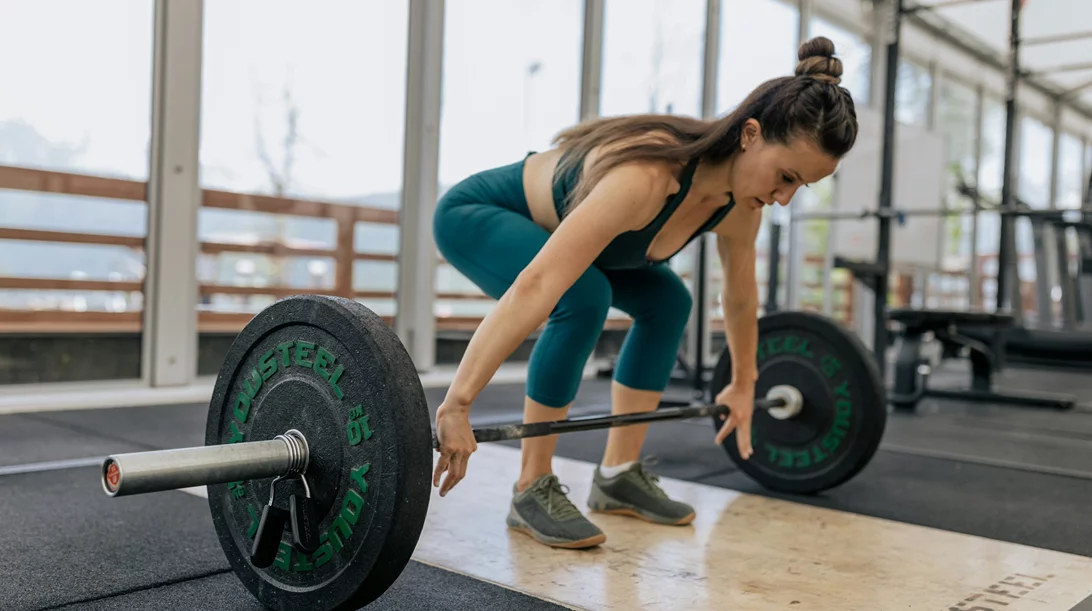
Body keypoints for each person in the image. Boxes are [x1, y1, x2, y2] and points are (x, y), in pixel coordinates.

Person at [430, 36, 858, 549]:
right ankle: (531, 487)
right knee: (581, 297)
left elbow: (741, 298)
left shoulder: (743, 207)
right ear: (750, 134)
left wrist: (744, 381)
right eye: (785, 176)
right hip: (482, 216)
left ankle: (618, 475)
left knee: (669, 302)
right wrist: (458, 403)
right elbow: (540, 283)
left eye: (800, 187)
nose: (784, 199)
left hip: (589, 248)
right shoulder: (649, 179)